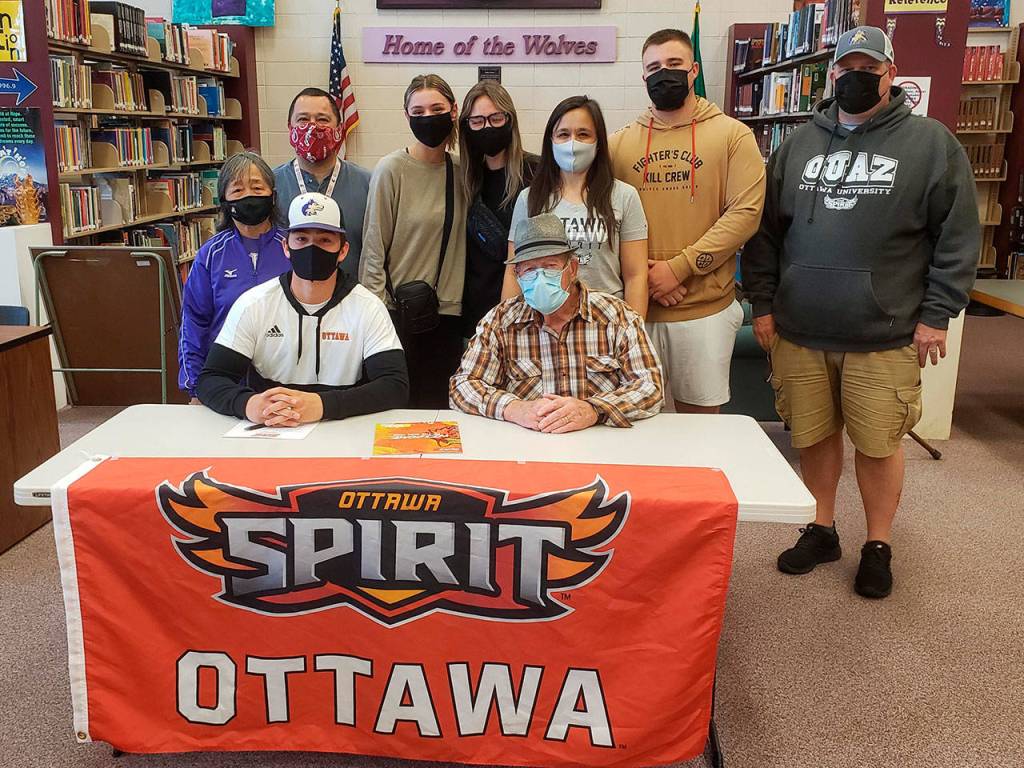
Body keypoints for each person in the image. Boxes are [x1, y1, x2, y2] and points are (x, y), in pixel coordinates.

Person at [742, 27, 979, 599]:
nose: (854, 76)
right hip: (801, 328)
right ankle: (822, 528)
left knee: (878, 443)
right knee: (814, 436)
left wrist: (936, 314)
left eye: (866, 66)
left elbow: (957, 236)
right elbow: (767, 234)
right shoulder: (796, 145)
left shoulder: (931, 144)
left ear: (889, 72)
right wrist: (764, 303)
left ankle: (878, 542)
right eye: (845, 66)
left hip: (886, 330)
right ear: (831, 73)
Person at [608, 28, 765, 414]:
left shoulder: (733, 135)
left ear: (693, 70)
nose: (665, 73)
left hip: (703, 311)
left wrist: (680, 268)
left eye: (674, 64)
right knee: (636, 423)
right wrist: (648, 278)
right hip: (636, 310)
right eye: (654, 67)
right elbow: (603, 218)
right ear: (643, 77)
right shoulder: (619, 144)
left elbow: (745, 215)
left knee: (699, 428)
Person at [197, 192, 409, 424]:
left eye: (325, 241)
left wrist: (322, 405)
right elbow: (211, 379)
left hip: (343, 430)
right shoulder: (253, 304)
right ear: (286, 247)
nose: (312, 249)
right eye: (301, 239)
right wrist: (248, 404)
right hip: (270, 430)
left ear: (343, 250)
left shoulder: (368, 307)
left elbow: (394, 386)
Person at [451, 213, 663, 431]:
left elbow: (650, 387)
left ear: (572, 269)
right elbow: (462, 386)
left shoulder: (616, 316)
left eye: (550, 266)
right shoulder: (500, 321)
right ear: (517, 275)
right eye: (530, 269)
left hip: (599, 443)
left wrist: (593, 409)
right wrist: (515, 409)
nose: (540, 278)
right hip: (527, 445)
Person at [360, 74, 467, 408]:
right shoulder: (391, 170)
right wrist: (375, 316)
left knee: (442, 418)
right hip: (399, 314)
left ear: (454, 110)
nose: (427, 117)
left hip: (449, 315)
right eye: (417, 111)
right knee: (397, 414)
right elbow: (374, 249)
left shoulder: (463, 170)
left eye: (436, 108)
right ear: (406, 116)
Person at [503, 96, 649, 317]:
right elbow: (514, 272)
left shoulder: (624, 196)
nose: (572, 142)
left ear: (598, 141)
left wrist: (635, 331)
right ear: (550, 140)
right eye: (563, 134)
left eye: (583, 134)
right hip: (544, 322)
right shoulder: (530, 198)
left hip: (606, 320)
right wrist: (507, 325)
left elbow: (636, 276)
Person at [179, 151, 290, 402]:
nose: (249, 196)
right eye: (238, 190)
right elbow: (193, 323)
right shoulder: (211, 255)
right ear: (225, 201)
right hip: (225, 380)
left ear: (272, 195)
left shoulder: (292, 247)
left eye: (257, 187)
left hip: (282, 380)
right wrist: (194, 386)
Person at [459, 80, 539, 336]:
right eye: (477, 121)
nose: (487, 127)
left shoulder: (537, 172)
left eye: (495, 118)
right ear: (467, 126)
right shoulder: (466, 178)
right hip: (476, 315)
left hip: (528, 311)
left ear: (510, 119)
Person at [274, 87, 371, 281]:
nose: (312, 126)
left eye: (322, 120)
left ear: (339, 129)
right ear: (290, 128)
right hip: (286, 304)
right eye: (303, 119)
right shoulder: (271, 185)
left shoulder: (368, 184)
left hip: (353, 303)